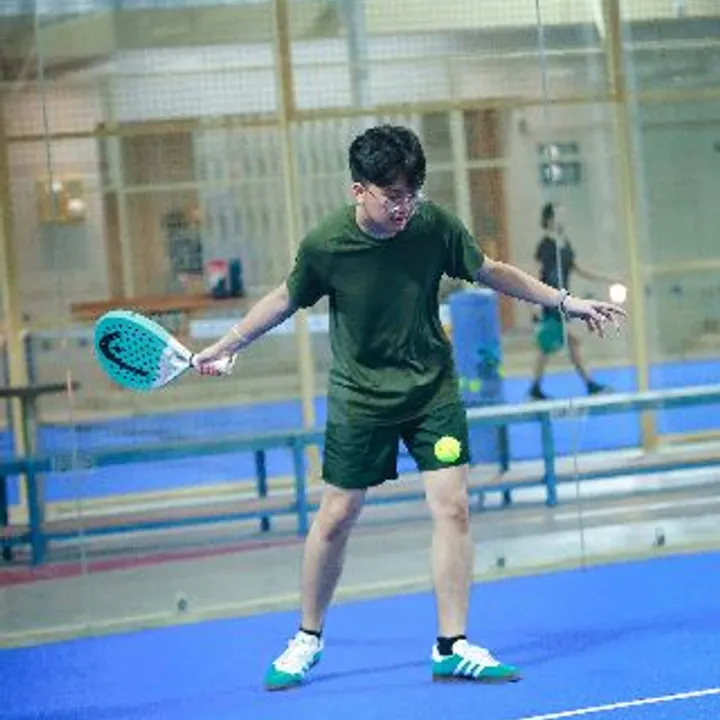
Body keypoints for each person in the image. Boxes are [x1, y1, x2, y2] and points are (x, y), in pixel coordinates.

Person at [192, 125, 626, 691]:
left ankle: (452, 645)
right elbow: (284, 298)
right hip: (360, 396)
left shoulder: (433, 225)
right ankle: (307, 637)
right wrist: (229, 345)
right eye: (391, 195)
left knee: (454, 507)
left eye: (411, 194)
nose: (403, 207)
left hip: (431, 391)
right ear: (358, 190)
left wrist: (564, 302)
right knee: (337, 514)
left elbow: (490, 269)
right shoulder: (327, 244)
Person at [529, 201, 620, 400]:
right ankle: (584, 384)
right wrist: (535, 302)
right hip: (550, 302)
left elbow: (578, 268)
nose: (563, 219)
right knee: (553, 346)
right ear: (549, 220)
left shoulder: (564, 243)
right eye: (559, 215)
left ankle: (540, 387)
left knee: (563, 345)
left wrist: (605, 278)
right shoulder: (545, 245)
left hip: (562, 302)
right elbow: (537, 273)